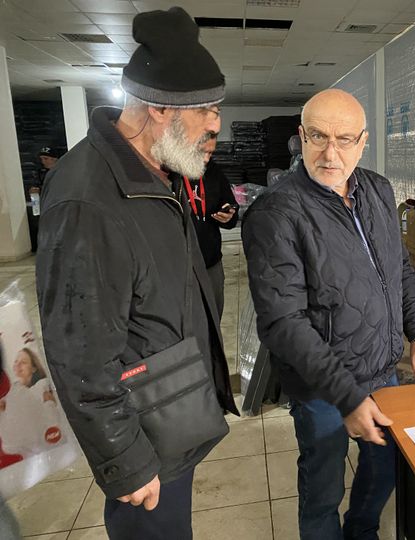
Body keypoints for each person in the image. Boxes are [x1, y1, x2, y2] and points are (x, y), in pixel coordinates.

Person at [34, 7, 238, 540]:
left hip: (171, 418)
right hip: (143, 439)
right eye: (207, 111)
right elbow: (79, 354)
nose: (216, 124)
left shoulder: (152, 174)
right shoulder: (89, 200)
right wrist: (124, 460)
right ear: (160, 111)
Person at [242, 88, 415, 540]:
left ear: (363, 141)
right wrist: (347, 397)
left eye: (344, 139)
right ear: (300, 137)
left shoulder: (377, 189)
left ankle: (362, 531)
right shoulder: (275, 214)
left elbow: (397, 270)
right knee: (322, 488)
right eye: (317, 137)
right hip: (322, 388)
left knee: (385, 467)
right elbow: (283, 323)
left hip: (382, 370)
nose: (330, 153)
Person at [174, 135, 238, 316]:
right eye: (202, 152)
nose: (206, 158)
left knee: (213, 316)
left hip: (210, 262)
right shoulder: (168, 174)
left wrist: (229, 216)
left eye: (210, 152)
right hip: (178, 267)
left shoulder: (213, 172)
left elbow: (230, 205)